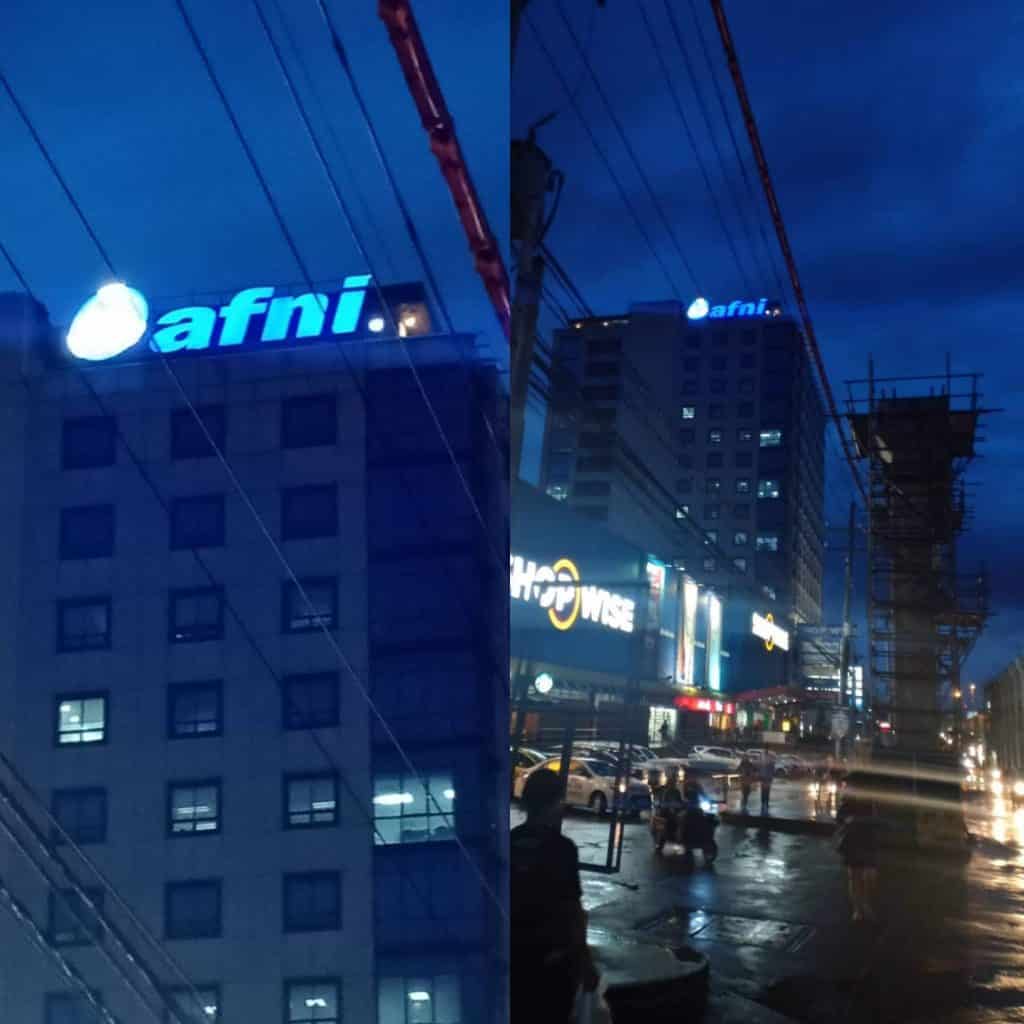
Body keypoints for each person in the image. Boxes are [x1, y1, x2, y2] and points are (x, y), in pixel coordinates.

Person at [511, 769, 599, 1023]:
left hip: (516, 961)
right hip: (552, 962)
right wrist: (586, 962)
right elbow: (571, 910)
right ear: (555, 803)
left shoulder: (508, 843)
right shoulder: (562, 849)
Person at [835, 773, 880, 923]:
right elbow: (840, 818)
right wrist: (848, 820)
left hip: (867, 841)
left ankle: (865, 904)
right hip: (853, 841)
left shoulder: (871, 800)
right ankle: (858, 909)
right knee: (854, 876)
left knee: (868, 876)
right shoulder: (847, 800)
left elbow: (875, 819)